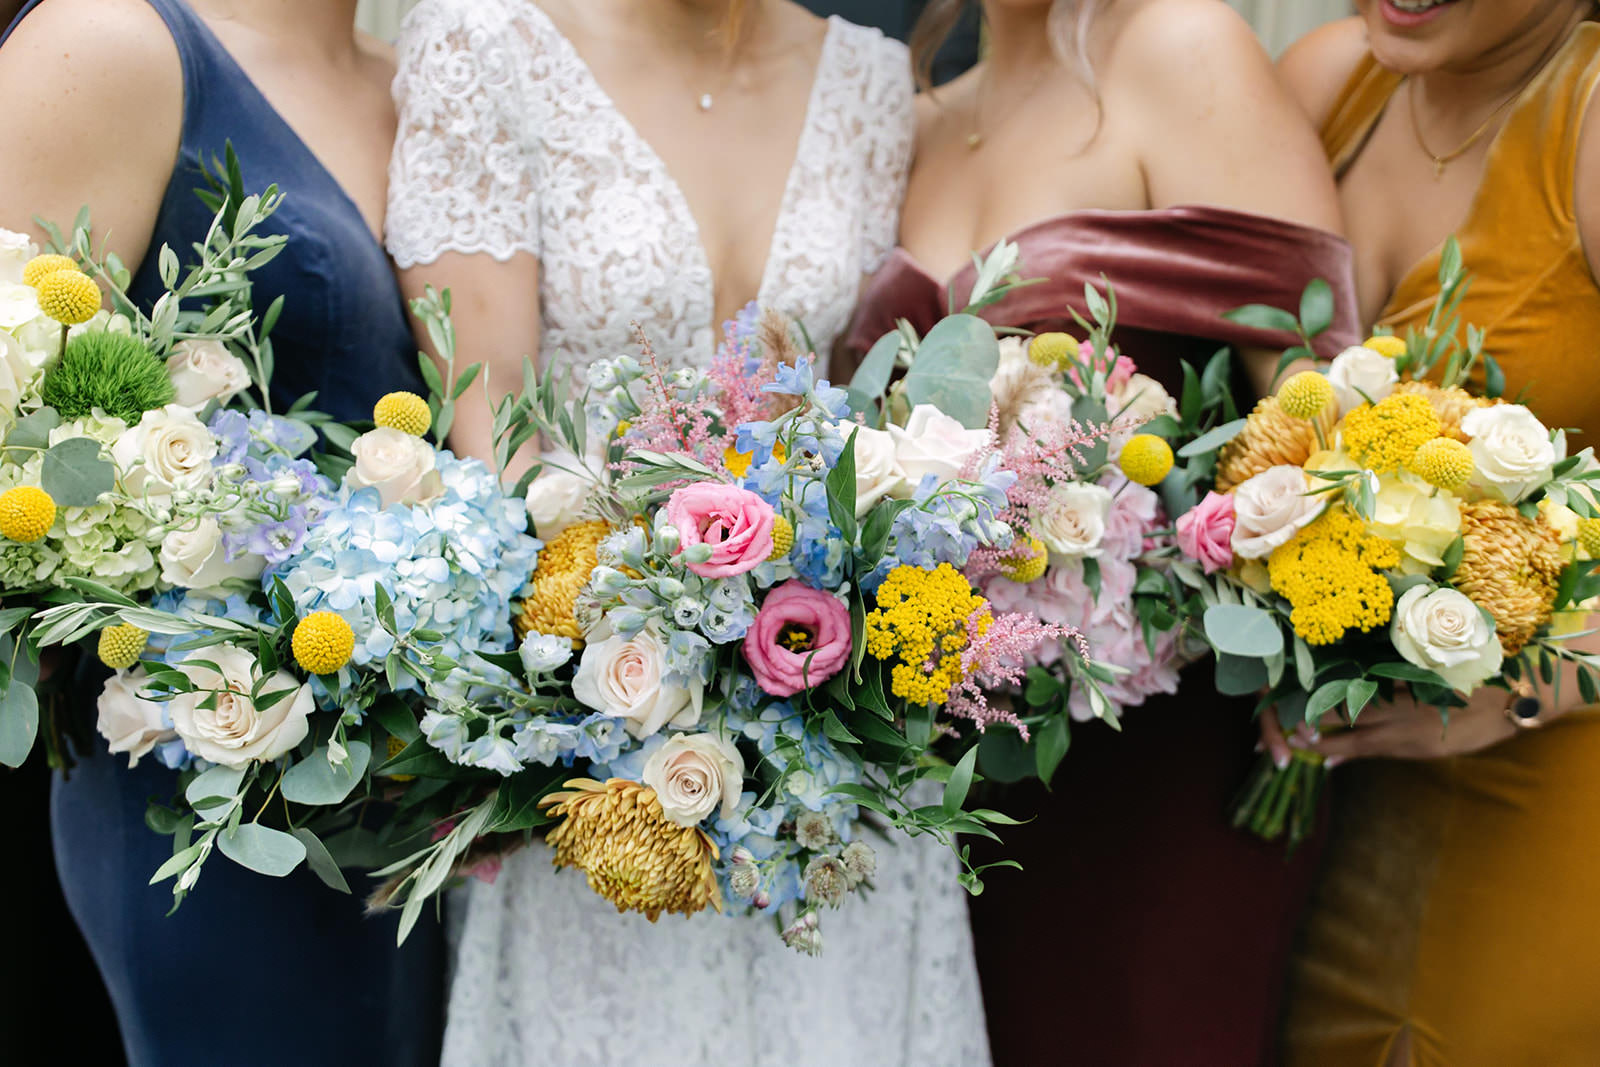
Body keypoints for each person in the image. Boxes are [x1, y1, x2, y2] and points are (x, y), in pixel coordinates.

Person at [386, 1, 990, 1064]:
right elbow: (496, 432)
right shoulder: (486, 44)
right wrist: (655, 672)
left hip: (829, 746)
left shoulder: (867, 77)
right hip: (603, 723)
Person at [845, 1, 1358, 1063]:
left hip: (1163, 755)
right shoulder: (925, 108)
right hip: (958, 771)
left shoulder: (1180, 46)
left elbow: (1321, 411)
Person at [0, 2, 441, 1065]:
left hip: (424, 796)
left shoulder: (426, 82)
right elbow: (17, 409)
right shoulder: (108, 41)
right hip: (206, 792)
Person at [1272, 3, 1600, 1064]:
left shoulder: (1586, 115)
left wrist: (1518, 685)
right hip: (1318, 813)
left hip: (1547, 788)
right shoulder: (1332, 80)